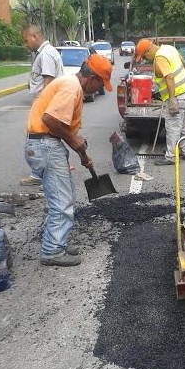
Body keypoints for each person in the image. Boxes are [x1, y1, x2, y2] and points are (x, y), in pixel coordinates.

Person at [24, 54, 113, 267]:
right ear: (91, 78)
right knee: (62, 202)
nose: (100, 89)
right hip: (46, 146)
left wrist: (83, 155)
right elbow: (50, 120)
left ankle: (57, 242)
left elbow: (65, 129)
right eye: (101, 83)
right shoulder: (71, 87)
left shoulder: (70, 85)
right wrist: (74, 142)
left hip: (45, 145)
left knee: (65, 197)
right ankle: (52, 250)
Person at [134, 39, 185, 165]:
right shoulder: (168, 48)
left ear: (149, 50)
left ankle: (170, 157)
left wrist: (171, 99)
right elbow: (182, 61)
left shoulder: (160, 58)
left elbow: (169, 77)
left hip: (176, 95)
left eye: (144, 55)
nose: (145, 58)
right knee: (182, 123)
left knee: (172, 126)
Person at [21, 25, 64, 186]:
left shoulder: (46, 54)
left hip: (44, 104)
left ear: (34, 37)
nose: (26, 44)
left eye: (26, 41)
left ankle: (39, 174)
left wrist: (43, 107)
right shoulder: (47, 52)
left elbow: (48, 80)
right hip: (44, 103)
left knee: (37, 138)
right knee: (43, 138)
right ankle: (43, 171)